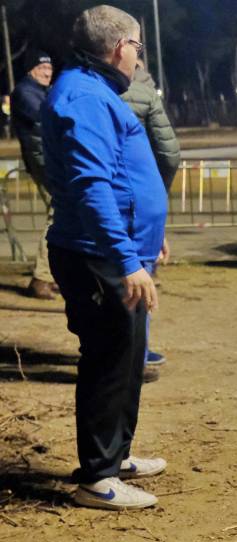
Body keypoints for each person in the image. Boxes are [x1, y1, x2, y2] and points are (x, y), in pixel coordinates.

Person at [42, 5, 169, 509]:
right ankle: (97, 478)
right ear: (120, 47)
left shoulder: (95, 93)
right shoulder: (84, 97)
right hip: (97, 257)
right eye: (138, 47)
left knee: (129, 357)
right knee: (109, 361)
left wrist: (147, 236)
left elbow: (120, 178)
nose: (139, 57)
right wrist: (126, 260)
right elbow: (91, 186)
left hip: (117, 251)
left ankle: (115, 457)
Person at [120, 61, 180, 376]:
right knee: (138, 281)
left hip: (99, 204)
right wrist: (156, 201)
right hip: (138, 201)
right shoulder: (144, 93)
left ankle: (123, 356)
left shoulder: (80, 89)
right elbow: (169, 154)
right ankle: (135, 356)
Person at [12, 51, 55, 300]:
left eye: (50, 68)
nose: (47, 72)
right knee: (58, 213)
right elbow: (45, 117)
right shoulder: (25, 93)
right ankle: (42, 277)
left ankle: (50, 275)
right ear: (31, 71)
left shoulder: (40, 92)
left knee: (61, 212)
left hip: (46, 159)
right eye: (42, 68)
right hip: (43, 161)